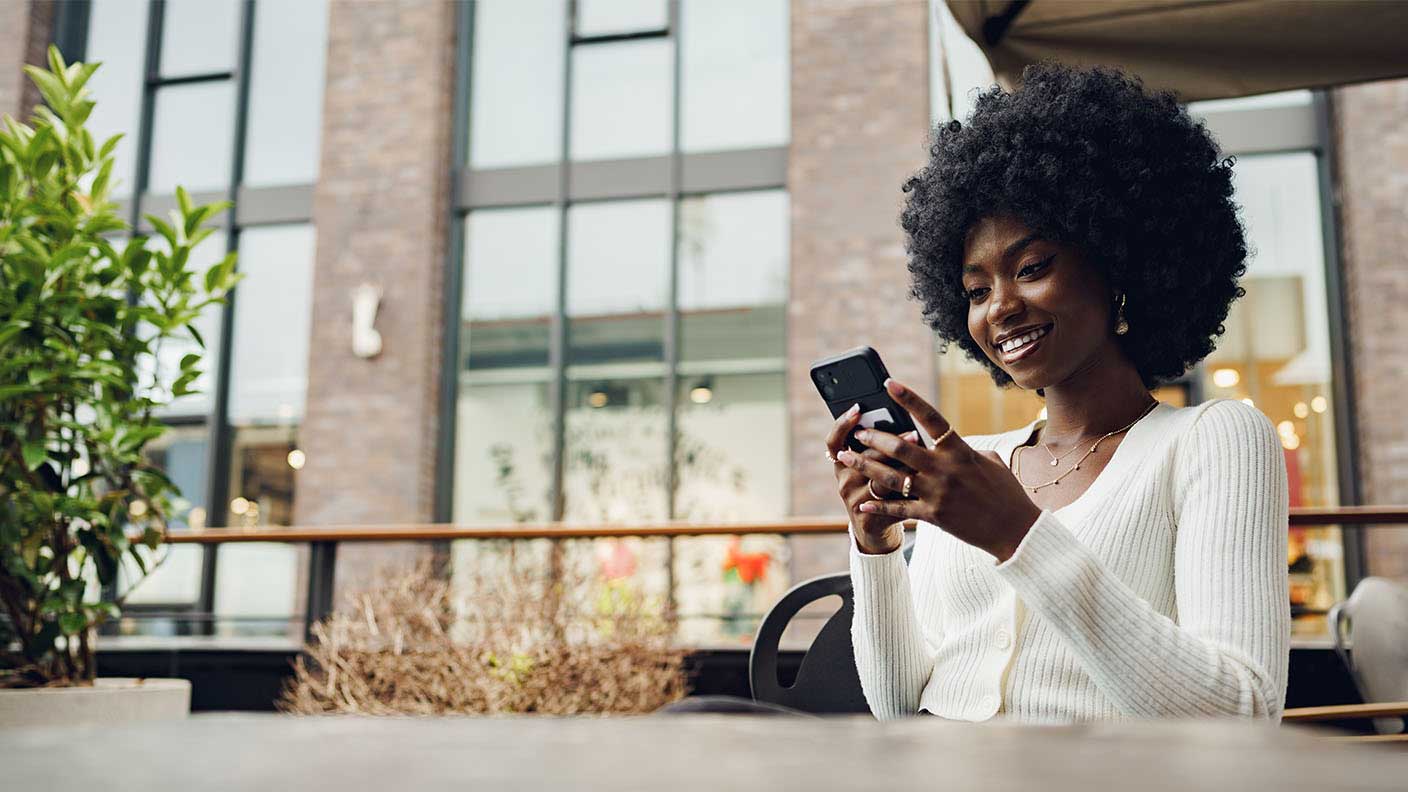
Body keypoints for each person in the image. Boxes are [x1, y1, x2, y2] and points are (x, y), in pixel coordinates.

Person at [826, 63, 1290, 722]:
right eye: (977, 290)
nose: (999, 309)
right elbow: (900, 707)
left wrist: (1018, 533)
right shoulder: (968, 467)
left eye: (1032, 268)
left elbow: (1244, 714)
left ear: (1119, 264)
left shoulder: (1214, 441)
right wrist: (873, 548)